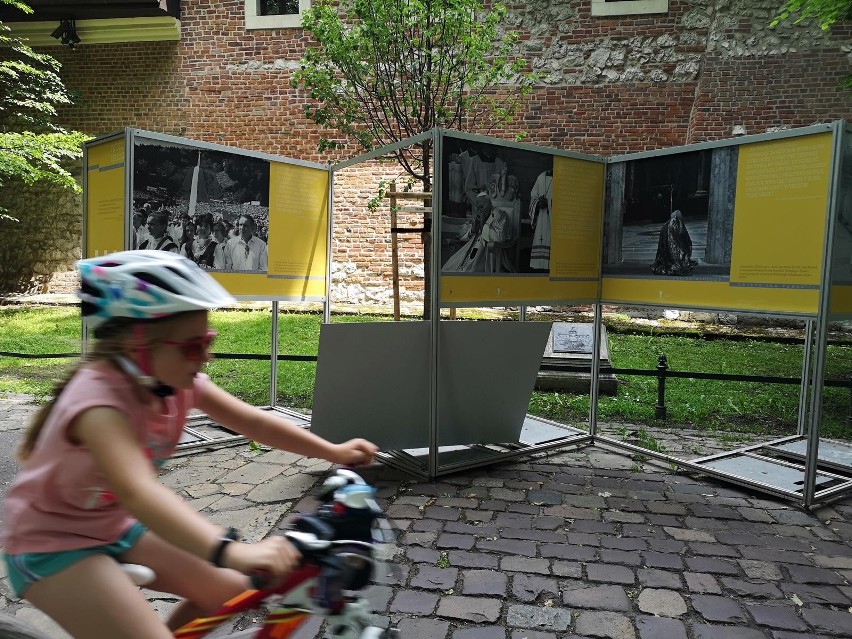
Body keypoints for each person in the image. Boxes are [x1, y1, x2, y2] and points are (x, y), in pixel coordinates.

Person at [0, 251, 378, 639]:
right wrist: (230, 550)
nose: (206, 355)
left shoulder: (175, 382)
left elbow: (255, 422)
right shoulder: (98, 403)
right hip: (51, 546)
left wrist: (333, 451)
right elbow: (138, 492)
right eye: (192, 346)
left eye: (208, 341)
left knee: (234, 591)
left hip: (112, 527)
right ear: (137, 343)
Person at [650, 209, 697, 276]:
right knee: (678, 257)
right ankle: (676, 266)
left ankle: (673, 264)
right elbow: (685, 238)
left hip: (669, 249)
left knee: (672, 257)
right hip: (675, 248)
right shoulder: (678, 224)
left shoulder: (667, 225)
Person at [528, 169, 553, 272]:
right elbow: (533, 197)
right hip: (542, 219)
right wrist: (538, 203)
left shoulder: (563, 177)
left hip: (555, 220)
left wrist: (550, 203)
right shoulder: (541, 177)